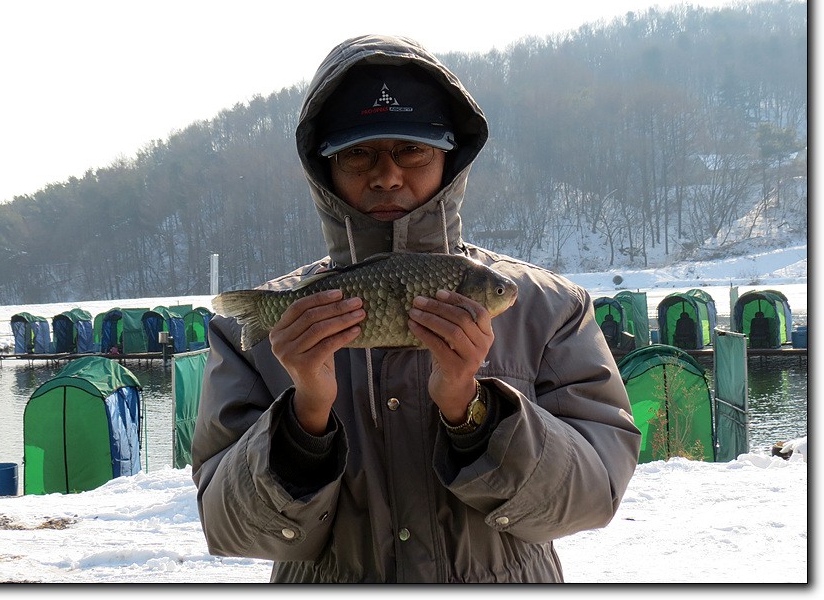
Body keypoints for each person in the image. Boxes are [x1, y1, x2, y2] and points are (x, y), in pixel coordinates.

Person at [191, 34, 641, 583]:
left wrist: (471, 410)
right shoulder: (262, 326)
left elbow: (594, 497)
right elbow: (229, 530)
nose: (386, 175)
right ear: (323, 167)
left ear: (450, 158)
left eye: (412, 150)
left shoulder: (550, 307)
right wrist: (305, 415)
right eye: (357, 153)